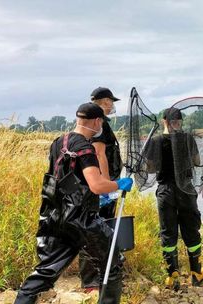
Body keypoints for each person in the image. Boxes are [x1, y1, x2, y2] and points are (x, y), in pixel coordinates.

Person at [14, 103, 133, 304]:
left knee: (46, 270)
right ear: (97, 121)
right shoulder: (85, 148)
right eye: (101, 122)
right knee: (112, 262)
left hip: (56, 217)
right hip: (82, 220)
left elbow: (60, 179)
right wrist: (118, 184)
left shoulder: (58, 142)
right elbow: (96, 185)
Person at [147, 107, 203, 291]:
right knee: (191, 229)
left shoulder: (155, 141)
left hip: (165, 191)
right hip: (186, 190)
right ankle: (196, 272)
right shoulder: (188, 138)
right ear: (178, 122)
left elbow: (150, 169)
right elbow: (197, 162)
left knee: (168, 232)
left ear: (163, 121)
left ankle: (172, 276)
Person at [79, 87, 123, 291]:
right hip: (101, 185)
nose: (112, 105)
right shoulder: (99, 124)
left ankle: (104, 272)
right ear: (104, 101)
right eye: (110, 101)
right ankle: (91, 280)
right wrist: (106, 185)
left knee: (101, 227)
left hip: (102, 183)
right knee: (96, 228)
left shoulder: (94, 123)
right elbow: (99, 154)